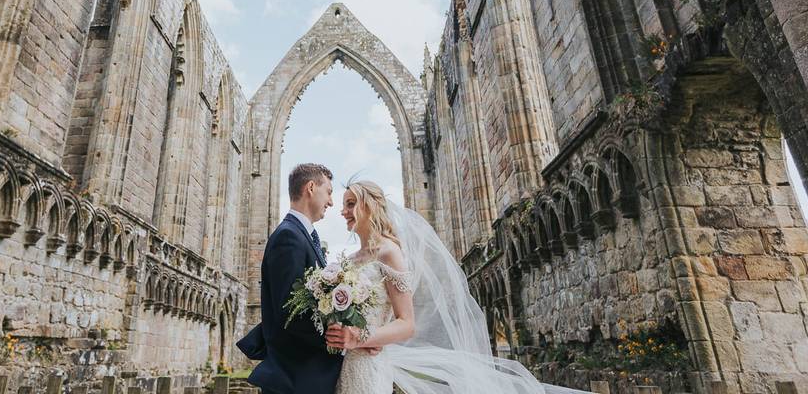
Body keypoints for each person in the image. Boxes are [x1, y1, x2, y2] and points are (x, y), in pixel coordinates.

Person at [325, 180, 572, 394]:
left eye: (350, 204)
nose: (343, 211)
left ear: (370, 206)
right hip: (345, 364)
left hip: (369, 365)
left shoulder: (389, 252)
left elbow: (406, 324)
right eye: (344, 205)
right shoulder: (350, 259)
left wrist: (360, 337)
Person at [237, 163, 344, 394]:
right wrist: (338, 341)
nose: (331, 202)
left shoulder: (302, 235)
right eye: (329, 192)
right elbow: (290, 313)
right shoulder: (289, 236)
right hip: (295, 379)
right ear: (311, 187)